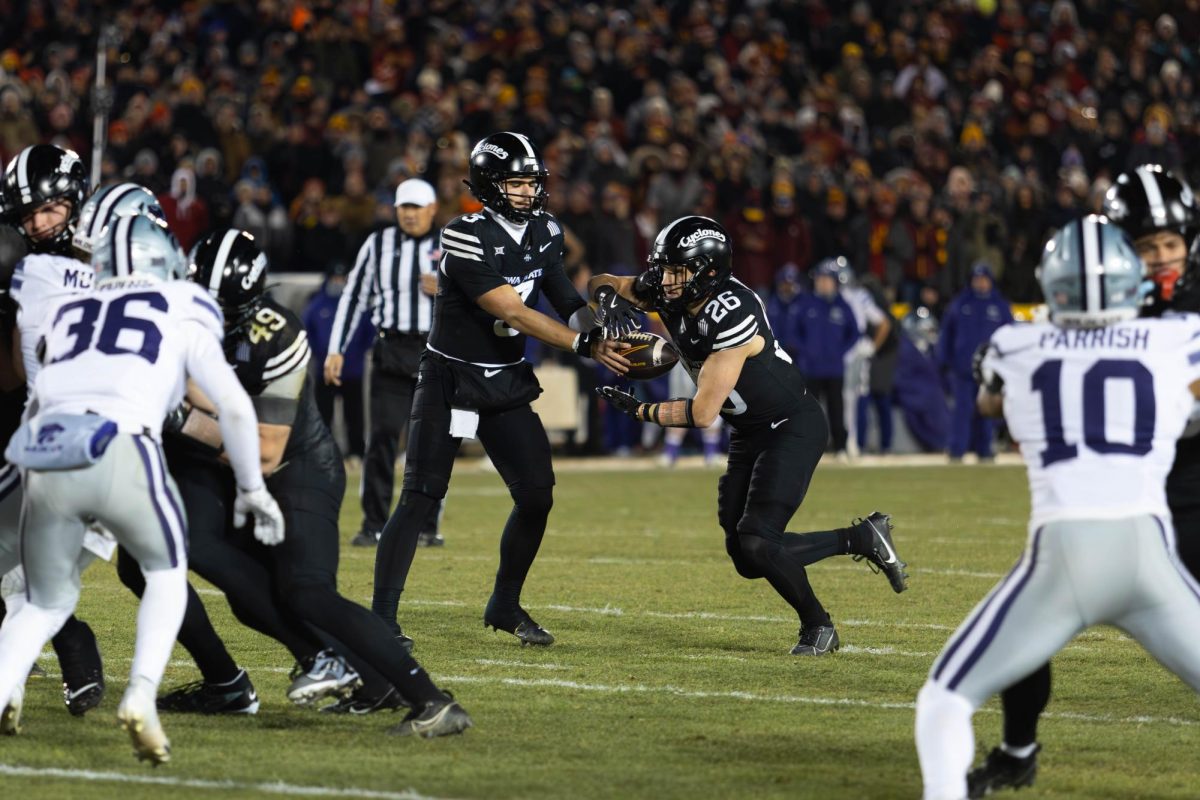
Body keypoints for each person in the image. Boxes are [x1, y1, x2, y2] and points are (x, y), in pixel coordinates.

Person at [128, 229, 474, 731]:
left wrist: (178, 415)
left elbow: (265, 450)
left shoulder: (276, 333)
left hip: (297, 467)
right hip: (223, 466)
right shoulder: (171, 311)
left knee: (306, 591)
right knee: (226, 575)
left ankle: (429, 698)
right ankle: (359, 678)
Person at [915, 215, 1200, 799]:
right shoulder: (1180, 337)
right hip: (1150, 556)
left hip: (1064, 556)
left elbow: (991, 401)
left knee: (945, 700)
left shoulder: (1014, 343)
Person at [0, 213, 283, 763]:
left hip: (48, 450)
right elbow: (233, 405)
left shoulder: (66, 307)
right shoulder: (184, 301)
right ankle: (141, 695)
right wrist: (252, 487)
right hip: (123, 445)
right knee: (165, 571)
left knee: (39, 601)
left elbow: (36, 396)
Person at [591, 215, 909, 655]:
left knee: (759, 540)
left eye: (675, 271)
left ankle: (819, 627)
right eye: (662, 269)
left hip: (790, 426)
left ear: (706, 271)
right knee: (746, 557)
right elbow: (602, 281)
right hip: (749, 431)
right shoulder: (671, 285)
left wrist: (641, 410)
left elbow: (703, 414)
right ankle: (861, 539)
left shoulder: (730, 311)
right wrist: (606, 305)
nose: (663, 281)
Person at [370, 131, 629, 647]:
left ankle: (504, 604)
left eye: (533, 182)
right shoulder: (463, 234)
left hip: (503, 381)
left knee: (536, 496)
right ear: (489, 185)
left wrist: (600, 327)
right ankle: (381, 621)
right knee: (421, 496)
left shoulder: (546, 230)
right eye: (516, 183)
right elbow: (510, 309)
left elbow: (563, 296)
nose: (529, 192)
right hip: (451, 377)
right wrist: (583, 346)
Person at [0, 145, 111, 717]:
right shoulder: (27, 262)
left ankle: (62, 652)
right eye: (28, 215)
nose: (38, 224)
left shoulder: (106, 258)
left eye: (49, 209)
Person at [325, 178, 445, 548]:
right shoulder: (377, 244)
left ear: (432, 210)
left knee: (432, 443)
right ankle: (374, 523)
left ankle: (427, 525)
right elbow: (353, 298)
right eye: (403, 207)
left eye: (416, 207)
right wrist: (336, 348)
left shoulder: (452, 244)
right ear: (395, 210)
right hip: (390, 350)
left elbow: (484, 296)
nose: (409, 215)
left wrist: (447, 289)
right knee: (381, 439)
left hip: (436, 352)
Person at [938, 262, 1013, 462]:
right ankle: (956, 450)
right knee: (961, 411)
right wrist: (944, 360)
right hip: (962, 369)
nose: (980, 283)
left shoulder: (1000, 306)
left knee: (987, 412)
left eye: (983, 279)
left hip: (991, 371)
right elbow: (946, 334)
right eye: (976, 279)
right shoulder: (960, 304)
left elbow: (1011, 335)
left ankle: (985, 450)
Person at [791, 260, 861, 458]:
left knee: (836, 410)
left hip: (834, 368)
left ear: (835, 282)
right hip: (810, 368)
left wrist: (841, 351)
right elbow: (794, 333)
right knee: (810, 412)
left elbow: (855, 333)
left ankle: (840, 447)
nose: (822, 284)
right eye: (820, 280)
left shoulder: (843, 305)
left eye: (826, 280)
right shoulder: (805, 303)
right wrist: (804, 352)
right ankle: (810, 448)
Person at [304, 261, 370, 463]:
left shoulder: (357, 305)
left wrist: (357, 354)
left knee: (355, 416)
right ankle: (324, 453)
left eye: (342, 279)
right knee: (324, 415)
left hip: (352, 370)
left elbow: (369, 332)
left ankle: (356, 452)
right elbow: (308, 333)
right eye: (335, 278)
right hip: (325, 370)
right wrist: (320, 355)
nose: (338, 282)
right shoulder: (317, 305)